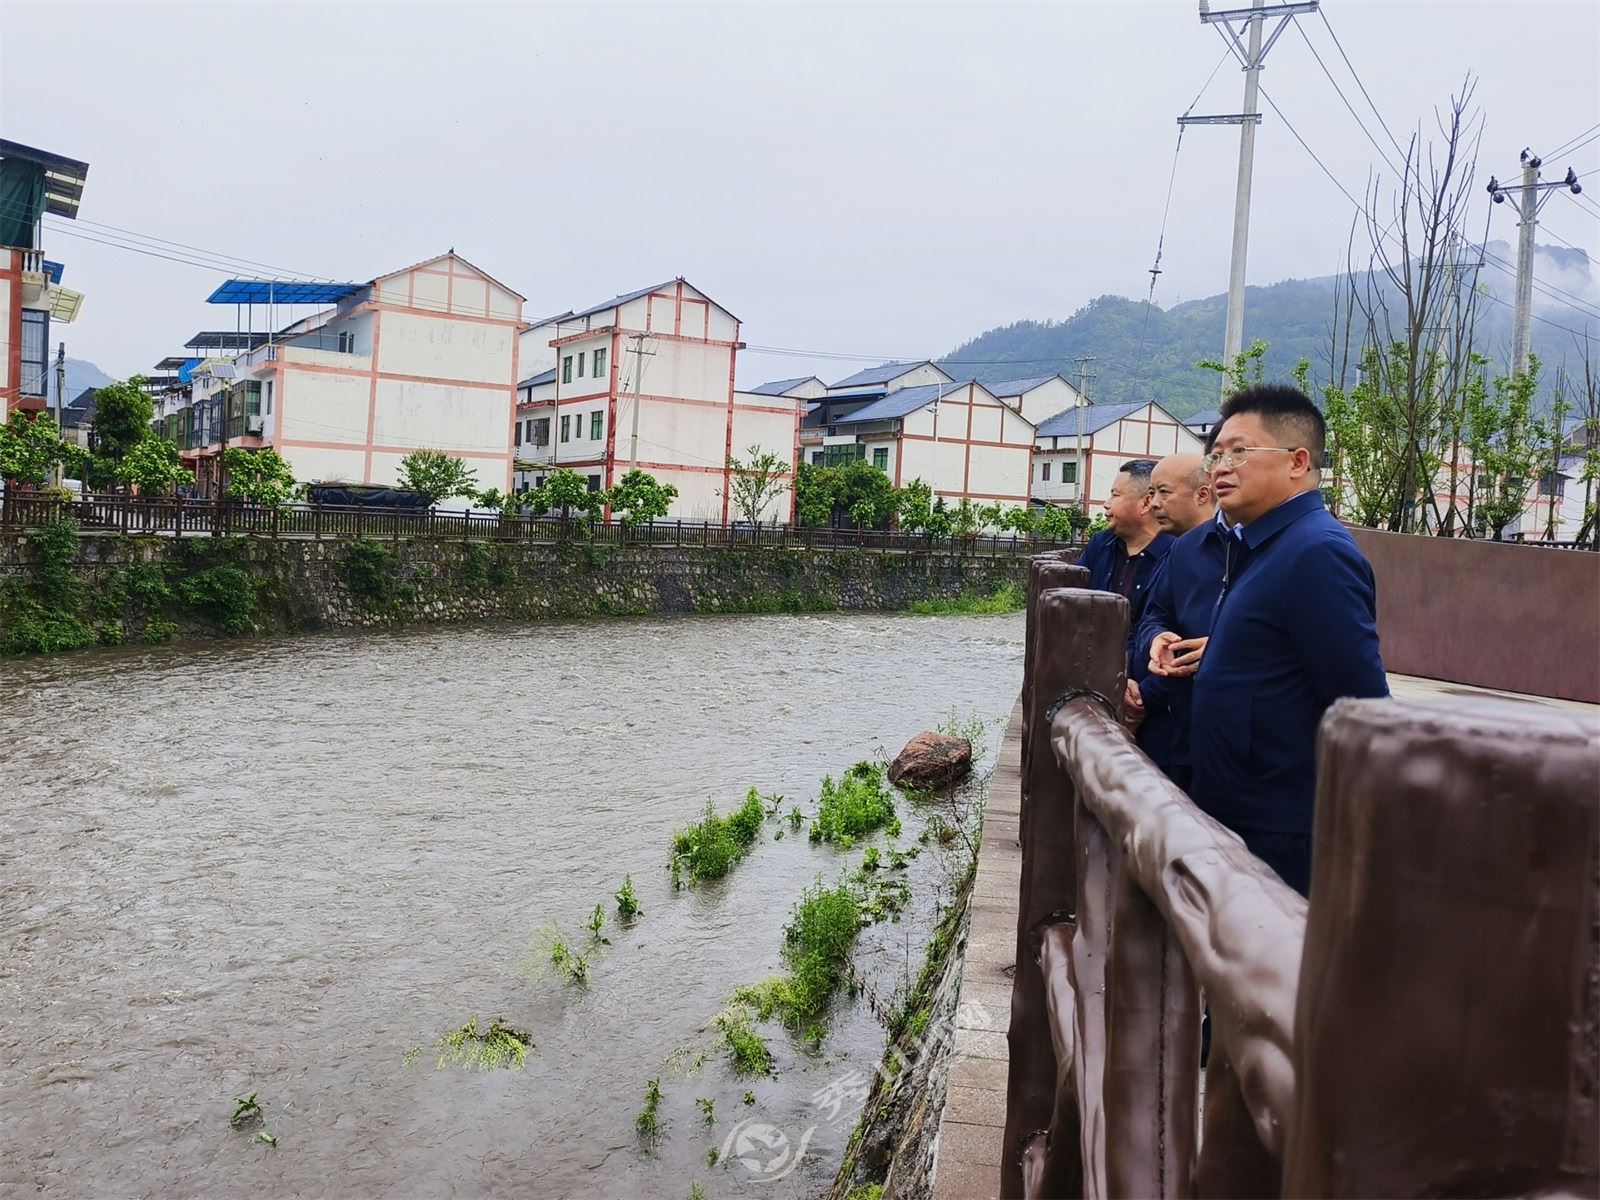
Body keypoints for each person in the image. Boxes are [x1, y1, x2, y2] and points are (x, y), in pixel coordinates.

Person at [1160, 384, 1387, 897]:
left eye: (1239, 451)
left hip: (1280, 824)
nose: (1221, 467)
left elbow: (1361, 704)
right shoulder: (1260, 545)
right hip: (1236, 809)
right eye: (1216, 454)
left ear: (1297, 462)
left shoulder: (1316, 552)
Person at [1131, 454, 1219, 785]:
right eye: (1151, 493)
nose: (1154, 503)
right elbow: (1154, 615)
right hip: (1169, 723)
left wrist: (1143, 696)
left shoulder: (1240, 550)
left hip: (1203, 726)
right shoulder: (1181, 549)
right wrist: (1157, 636)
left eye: (1163, 492)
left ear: (1203, 493)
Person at [1075, 459, 1173, 735]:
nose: (1106, 504)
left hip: (1151, 697)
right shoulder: (1100, 545)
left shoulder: (1176, 554)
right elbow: (1076, 610)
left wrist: (1140, 693)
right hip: (1094, 680)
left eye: (1115, 495)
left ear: (1146, 503)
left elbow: (1167, 630)